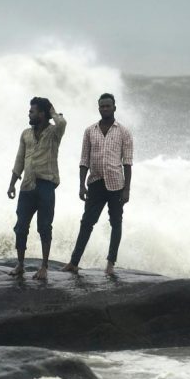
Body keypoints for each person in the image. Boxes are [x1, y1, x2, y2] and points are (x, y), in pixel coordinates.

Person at [63, 93, 133, 277]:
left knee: (116, 223)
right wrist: (81, 185)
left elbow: (128, 162)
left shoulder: (123, 132)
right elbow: (84, 160)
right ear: (99, 108)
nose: (105, 109)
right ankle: (74, 262)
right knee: (86, 222)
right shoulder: (90, 131)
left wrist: (127, 189)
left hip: (116, 184)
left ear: (114, 108)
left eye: (108, 106)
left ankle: (110, 264)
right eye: (102, 106)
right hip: (94, 183)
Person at [7, 97, 66, 280]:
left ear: (42, 113)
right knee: (21, 226)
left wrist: (53, 111)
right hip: (27, 186)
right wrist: (11, 183)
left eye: (32, 111)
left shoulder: (54, 132)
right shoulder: (26, 134)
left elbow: (62, 122)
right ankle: (20, 264)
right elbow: (19, 159)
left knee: (44, 227)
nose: (29, 114)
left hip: (46, 185)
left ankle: (44, 267)